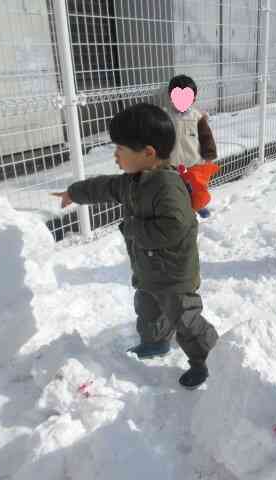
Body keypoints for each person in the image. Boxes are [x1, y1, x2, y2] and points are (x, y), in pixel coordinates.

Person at [52, 103, 218, 389]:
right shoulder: (132, 181)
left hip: (174, 274)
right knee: (148, 308)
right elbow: (104, 187)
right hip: (149, 269)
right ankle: (155, 343)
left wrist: (131, 228)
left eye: (120, 149)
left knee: (186, 320)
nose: (115, 155)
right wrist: (74, 192)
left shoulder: (168, 186)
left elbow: (173, 228)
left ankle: (210, 359)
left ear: (148, 153)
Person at [165, 74, 218, 218]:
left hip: (194, 162)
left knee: (196, 188)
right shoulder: (165, 116)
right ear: (171, 97)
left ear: (193, 99)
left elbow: (206, 137)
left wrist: (209, 155)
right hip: (172, 163)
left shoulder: (197, 117)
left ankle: (199, 205)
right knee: (175, 189)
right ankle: (179, 210)